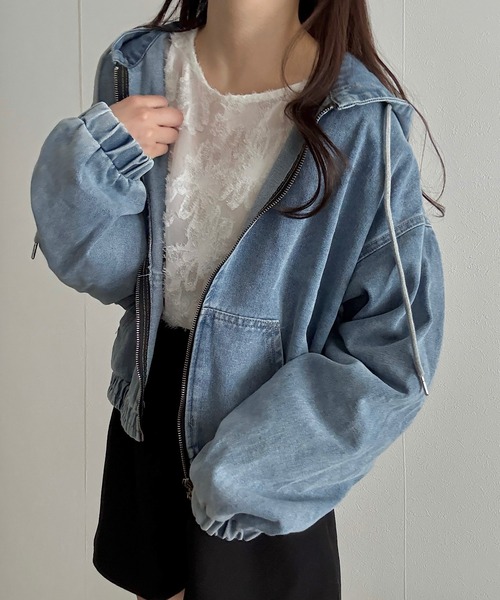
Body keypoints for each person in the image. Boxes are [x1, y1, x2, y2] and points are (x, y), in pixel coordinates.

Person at [29, 1, 446, 599]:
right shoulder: (137, 67)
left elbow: (398, 352)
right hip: (147, 423)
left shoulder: (358, 120)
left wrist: (249, 474)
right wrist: (95, 159)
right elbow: (111, 272)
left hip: (269, 448)